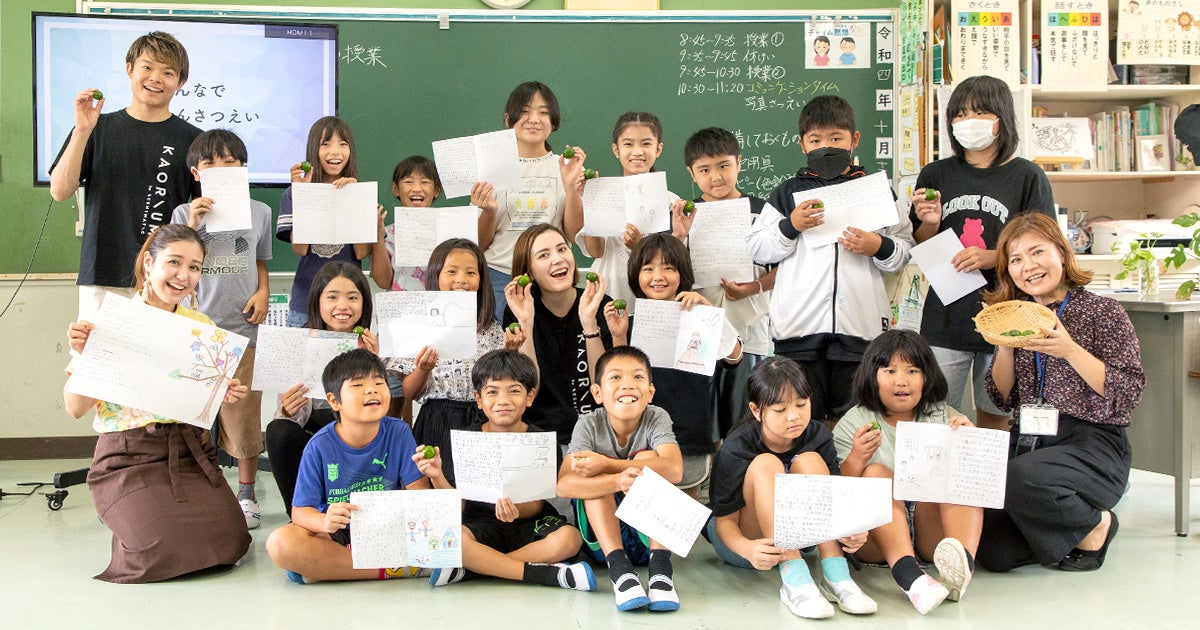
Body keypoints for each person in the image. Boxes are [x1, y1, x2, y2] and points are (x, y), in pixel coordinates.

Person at [64, 224, 251, 583]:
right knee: (159, 550)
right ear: (149, 263)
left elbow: (198, 402)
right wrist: (90, 355)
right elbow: (75, 408)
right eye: (174, 262)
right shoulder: (109, 322)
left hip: (189, 451)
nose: (184, 276)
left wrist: (221, 392)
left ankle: (139, 513)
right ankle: (123, 508)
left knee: (231, 543)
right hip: (129, 455)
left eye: (194, 267)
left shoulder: (201, 326)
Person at [977, 213, 1145, 572]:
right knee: (992, 552)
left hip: (1092, 444)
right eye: (1016, 259)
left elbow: (1128, 392)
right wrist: (1004, 343)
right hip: (1030, 440)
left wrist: (1070, 350)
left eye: (1037, 252)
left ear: (1062, 253)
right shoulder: (1015, 315)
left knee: (1019, 477)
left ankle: (1096, 525)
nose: (1028, 266)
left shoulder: (1103, 311)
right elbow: (1001, 397)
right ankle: (1060, 533)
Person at [747, 94, 914, 425]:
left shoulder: (876, 191)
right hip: (798, 331)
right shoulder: (787, 193)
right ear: (802, 144)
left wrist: (878, 245)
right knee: (800, 422)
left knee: (856, 424)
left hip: (861, 332)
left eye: (836, 138)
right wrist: (791, 225)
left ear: (854, 139)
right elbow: (757, 249)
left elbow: (904, 249)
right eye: (816, 140)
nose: (826, 147)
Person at [910, 74, 1055, 431]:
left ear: (1002, 118)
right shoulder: (936, 174)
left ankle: (994, 470)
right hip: (946, 316)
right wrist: (929, 222)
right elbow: (921, 243)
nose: (967, 122)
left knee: (997, 413)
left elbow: (1045, 245)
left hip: (1007, 314)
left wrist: (993, 257)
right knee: (935, 414)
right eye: (959, 114)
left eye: (979, 113)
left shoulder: (1027, 176)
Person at [705, 356, 875, 619]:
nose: (794, 416)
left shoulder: (818, 436)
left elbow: (833, 502)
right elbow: (724, 522)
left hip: (800, 537)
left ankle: (836, 574)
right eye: (780, 409)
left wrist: (851, 531)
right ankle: (794, 579)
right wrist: (747, 549)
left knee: (810, 460)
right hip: (746, 542)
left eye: (801, 404)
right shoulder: (737, 446)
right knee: (766, 463)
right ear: (756, 410)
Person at [411, 349, 595, 591]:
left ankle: (477, 568)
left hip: (528, 521)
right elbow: (458, 507)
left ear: (530, 396)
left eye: (514, 391)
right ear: (478, 399)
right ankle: (542, 574)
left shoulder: (540, 440)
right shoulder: (466, 439)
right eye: (492, 391)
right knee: (453, 539)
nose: (503, 400)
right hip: (479, 523)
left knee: (570, 538)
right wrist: (436, 476)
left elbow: (536, 504)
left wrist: (516, 510)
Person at [49, 31, 201, 321]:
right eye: (147, 67)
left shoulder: (194, 140)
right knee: (95, 351)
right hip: (102, 274)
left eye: (167, 72)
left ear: (180, 82)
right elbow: (60, 191)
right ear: (130, 69)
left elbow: (208, 211)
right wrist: (81, 131)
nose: (155, 78)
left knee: (161, 353)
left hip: (165, 280)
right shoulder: (96, 128)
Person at [833, 329, 981, 614]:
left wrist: (970, 442)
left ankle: (962, 567)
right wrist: (856, 458)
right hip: (874, 540)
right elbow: (837, 492)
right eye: (890, 371)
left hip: (931, 536)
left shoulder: (943, 415)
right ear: (872, 376)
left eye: (912, 371)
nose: (901, 380)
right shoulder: (856, 420)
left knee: (958, 471)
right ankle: (909, 577)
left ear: (927, 377)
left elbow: (976, 476)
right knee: (876, 472)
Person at [169, 129, 272, 529]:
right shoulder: (183, 214)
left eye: (230, 162)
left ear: (243, 168)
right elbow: (178, 258)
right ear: (197, 173)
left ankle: (246, 493)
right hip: (196, 330)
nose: (221, 168)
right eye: (210, 163)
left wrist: (263, 291)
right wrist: (194, 222)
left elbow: (260, 261)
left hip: (244, 327)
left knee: (243, 415)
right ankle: (203, 491)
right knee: (193, 416)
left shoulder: (260, 211)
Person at [264, 349, 432, 584]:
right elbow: (300, 512)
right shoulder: (319, 446)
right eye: (358, 385)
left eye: (379, 382)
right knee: (280, 543)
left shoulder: (399, 431)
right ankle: (397, 568)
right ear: (334, 401)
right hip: (339, 532)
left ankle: (330, 568)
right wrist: (324, 522)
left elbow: (420, 494)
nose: (371, 390)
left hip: (388, 529)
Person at [607, 233, 742, 494]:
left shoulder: (699, 317)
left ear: (683, 274)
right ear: (636, 275)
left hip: (688, 439)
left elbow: (734, 358)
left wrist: (711, 315)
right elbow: (618, 380)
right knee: (640, 510)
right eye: (648, 268)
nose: (658, 276)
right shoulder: (628, 322)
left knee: (685, 511)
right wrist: (618, 335)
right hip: (639, 439)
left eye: (668, 268)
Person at [557, 346, 684, 612]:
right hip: (602, 546)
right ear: (597, 393)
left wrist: (608, 464)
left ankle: (661, 571)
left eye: (637, 377)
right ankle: (621, 573)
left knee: (647, 459)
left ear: (650, 391)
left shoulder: (657, 416)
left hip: (646, 541)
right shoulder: (589, 423)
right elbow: (564, 484)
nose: (627, 384)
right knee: (596, 476)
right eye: (615, 377)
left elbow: (674, 469)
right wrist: (615, 480)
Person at [386, 239, 520, 477]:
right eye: (451, 271)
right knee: (438, 486)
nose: (462, 279)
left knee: (478, 487)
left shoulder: (488, 326)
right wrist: (423, 369)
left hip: (481, 420)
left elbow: (498, 383)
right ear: (435, 275)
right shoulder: (419, 324)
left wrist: (509, 353)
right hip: (436, 419)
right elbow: (409, 392)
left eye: (471, 272)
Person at [680, 126, 776, 439]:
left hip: (750, 326)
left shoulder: (762, 212)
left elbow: (785, 267)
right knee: (704, 415)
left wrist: (752, 288)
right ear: (691, 173)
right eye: (705, 170)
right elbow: (671, 269)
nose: (716, 177)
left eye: (724, 165)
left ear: (739, 162)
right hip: (699, 327)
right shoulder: (686, 214)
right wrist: (678, 234)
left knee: (745, 412)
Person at [264, 261, 380, 516]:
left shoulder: (372, 346)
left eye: (352, 297)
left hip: (357, 435)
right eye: (332, 297)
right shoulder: (298, 343)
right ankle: (300, 516)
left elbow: (382, 412)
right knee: (278, 430)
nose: (342, 306)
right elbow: (285, 415)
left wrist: (372, 364)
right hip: (313, 431)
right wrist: (286, 410)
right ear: (317, 301)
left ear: (364, 303)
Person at [475, 82, 585, 321]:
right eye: (524, 112)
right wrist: (489, 212)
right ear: (508, 119)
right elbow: (479, 245)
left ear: (553, 122)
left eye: (543, 113)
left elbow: (574, 235)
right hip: (499, 278)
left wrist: (571, 188)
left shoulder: (567, 167)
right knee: (502, 344)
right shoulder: (490, 170)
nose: (534, 119)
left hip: (552, 278)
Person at [504, 224, 614, 446]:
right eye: (544, 255)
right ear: (528, 272)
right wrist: (526, 322)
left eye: (562, 249)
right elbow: (529, 388)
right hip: (541, 437)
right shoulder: (519, 309)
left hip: (596, 434)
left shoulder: (598, 303)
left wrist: (589, 323)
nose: (558, 259)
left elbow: (604, 386)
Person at [574, 111, 681, 309]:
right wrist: (591, 201)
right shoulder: (602, 193)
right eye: (628, 144)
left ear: (658, 149)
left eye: (646, 144)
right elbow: (596, 251)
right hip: (608, 290)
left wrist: (640, 247)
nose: (637, 152)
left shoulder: (671, 202)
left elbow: (675, 260)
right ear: (616, 149)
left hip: (654, 296)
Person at [276, 116, 374, 327]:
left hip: (346, 305)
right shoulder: (293, 194)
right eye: (326, 144)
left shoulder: (360, 193)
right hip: (306, 302)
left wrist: (353, 200)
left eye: (343, 144)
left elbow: (362, 253)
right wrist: (304, 194)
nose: (335, 152)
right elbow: (300, 248)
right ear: (313, 149)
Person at [371, 155, 444, 292]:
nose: (416, 188)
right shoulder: (386, 234)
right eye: (409, 182)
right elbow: (383, 282)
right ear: (396, 189)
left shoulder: (448, 231)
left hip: (438, 303)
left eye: (425, 182)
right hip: (400, 304)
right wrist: (378, 238)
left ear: (436, 190)